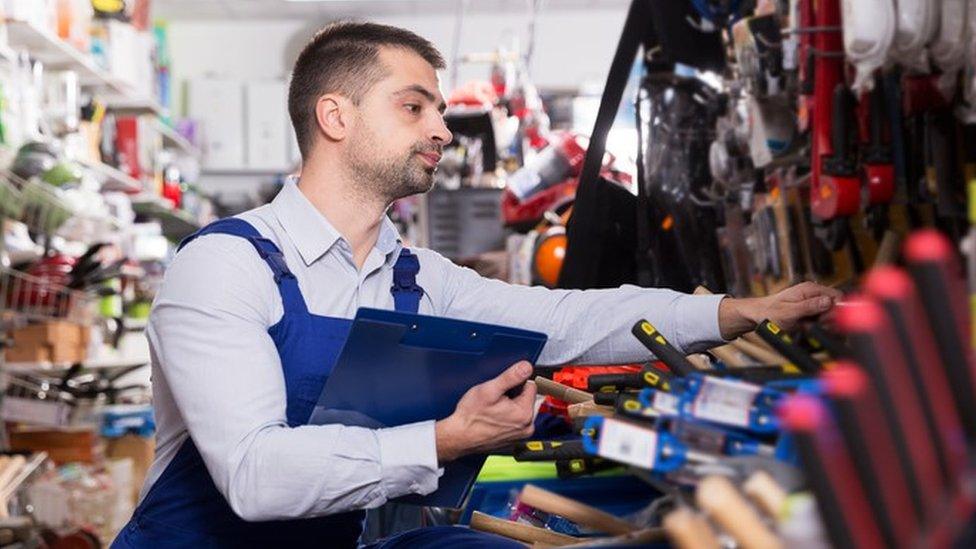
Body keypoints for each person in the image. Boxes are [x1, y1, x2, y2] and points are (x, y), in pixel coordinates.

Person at [112, 21, 840, 548]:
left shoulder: (414, 278)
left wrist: (734, 311)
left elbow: (571, 318)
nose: (442, 130)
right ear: (334, 115)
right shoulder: (226, 265)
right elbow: (255, 474)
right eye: (414, 106)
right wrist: (442, 439)